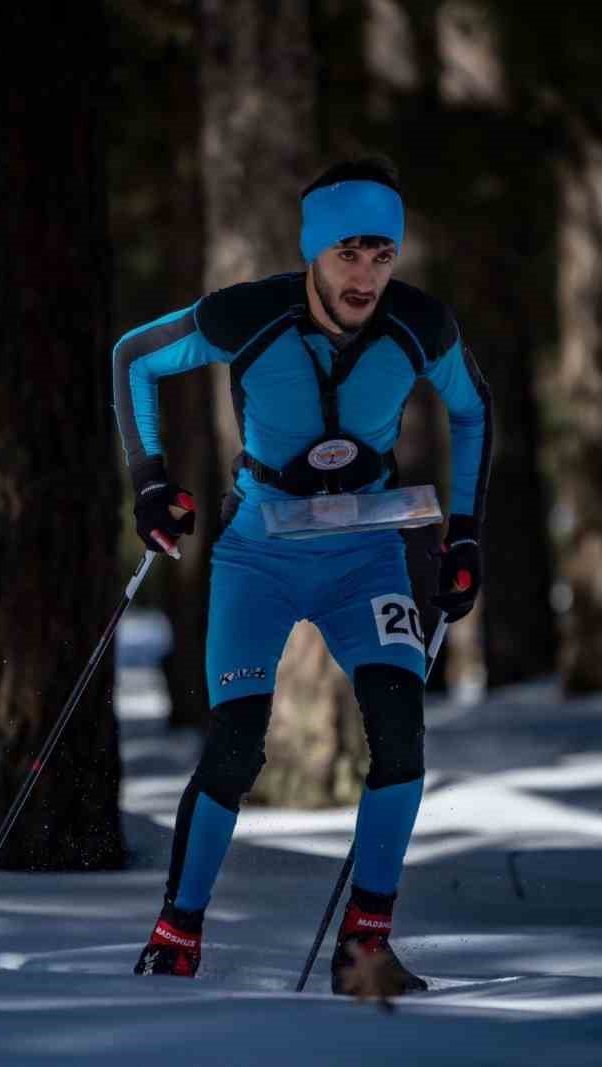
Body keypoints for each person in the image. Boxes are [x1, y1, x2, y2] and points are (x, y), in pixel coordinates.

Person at [110, 157, 492, 994]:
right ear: (316, 251)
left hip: (368, 553)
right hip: (260, 553)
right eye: (349, 253)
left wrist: (464, 537)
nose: (367, 275)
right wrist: (148, 483)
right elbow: (134, 355)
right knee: (238, 741)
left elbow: (471, 407)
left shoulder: (421, 327)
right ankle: (177, 933)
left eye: (382, 254)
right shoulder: (247, 314)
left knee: (400, 729)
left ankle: (366, 947)